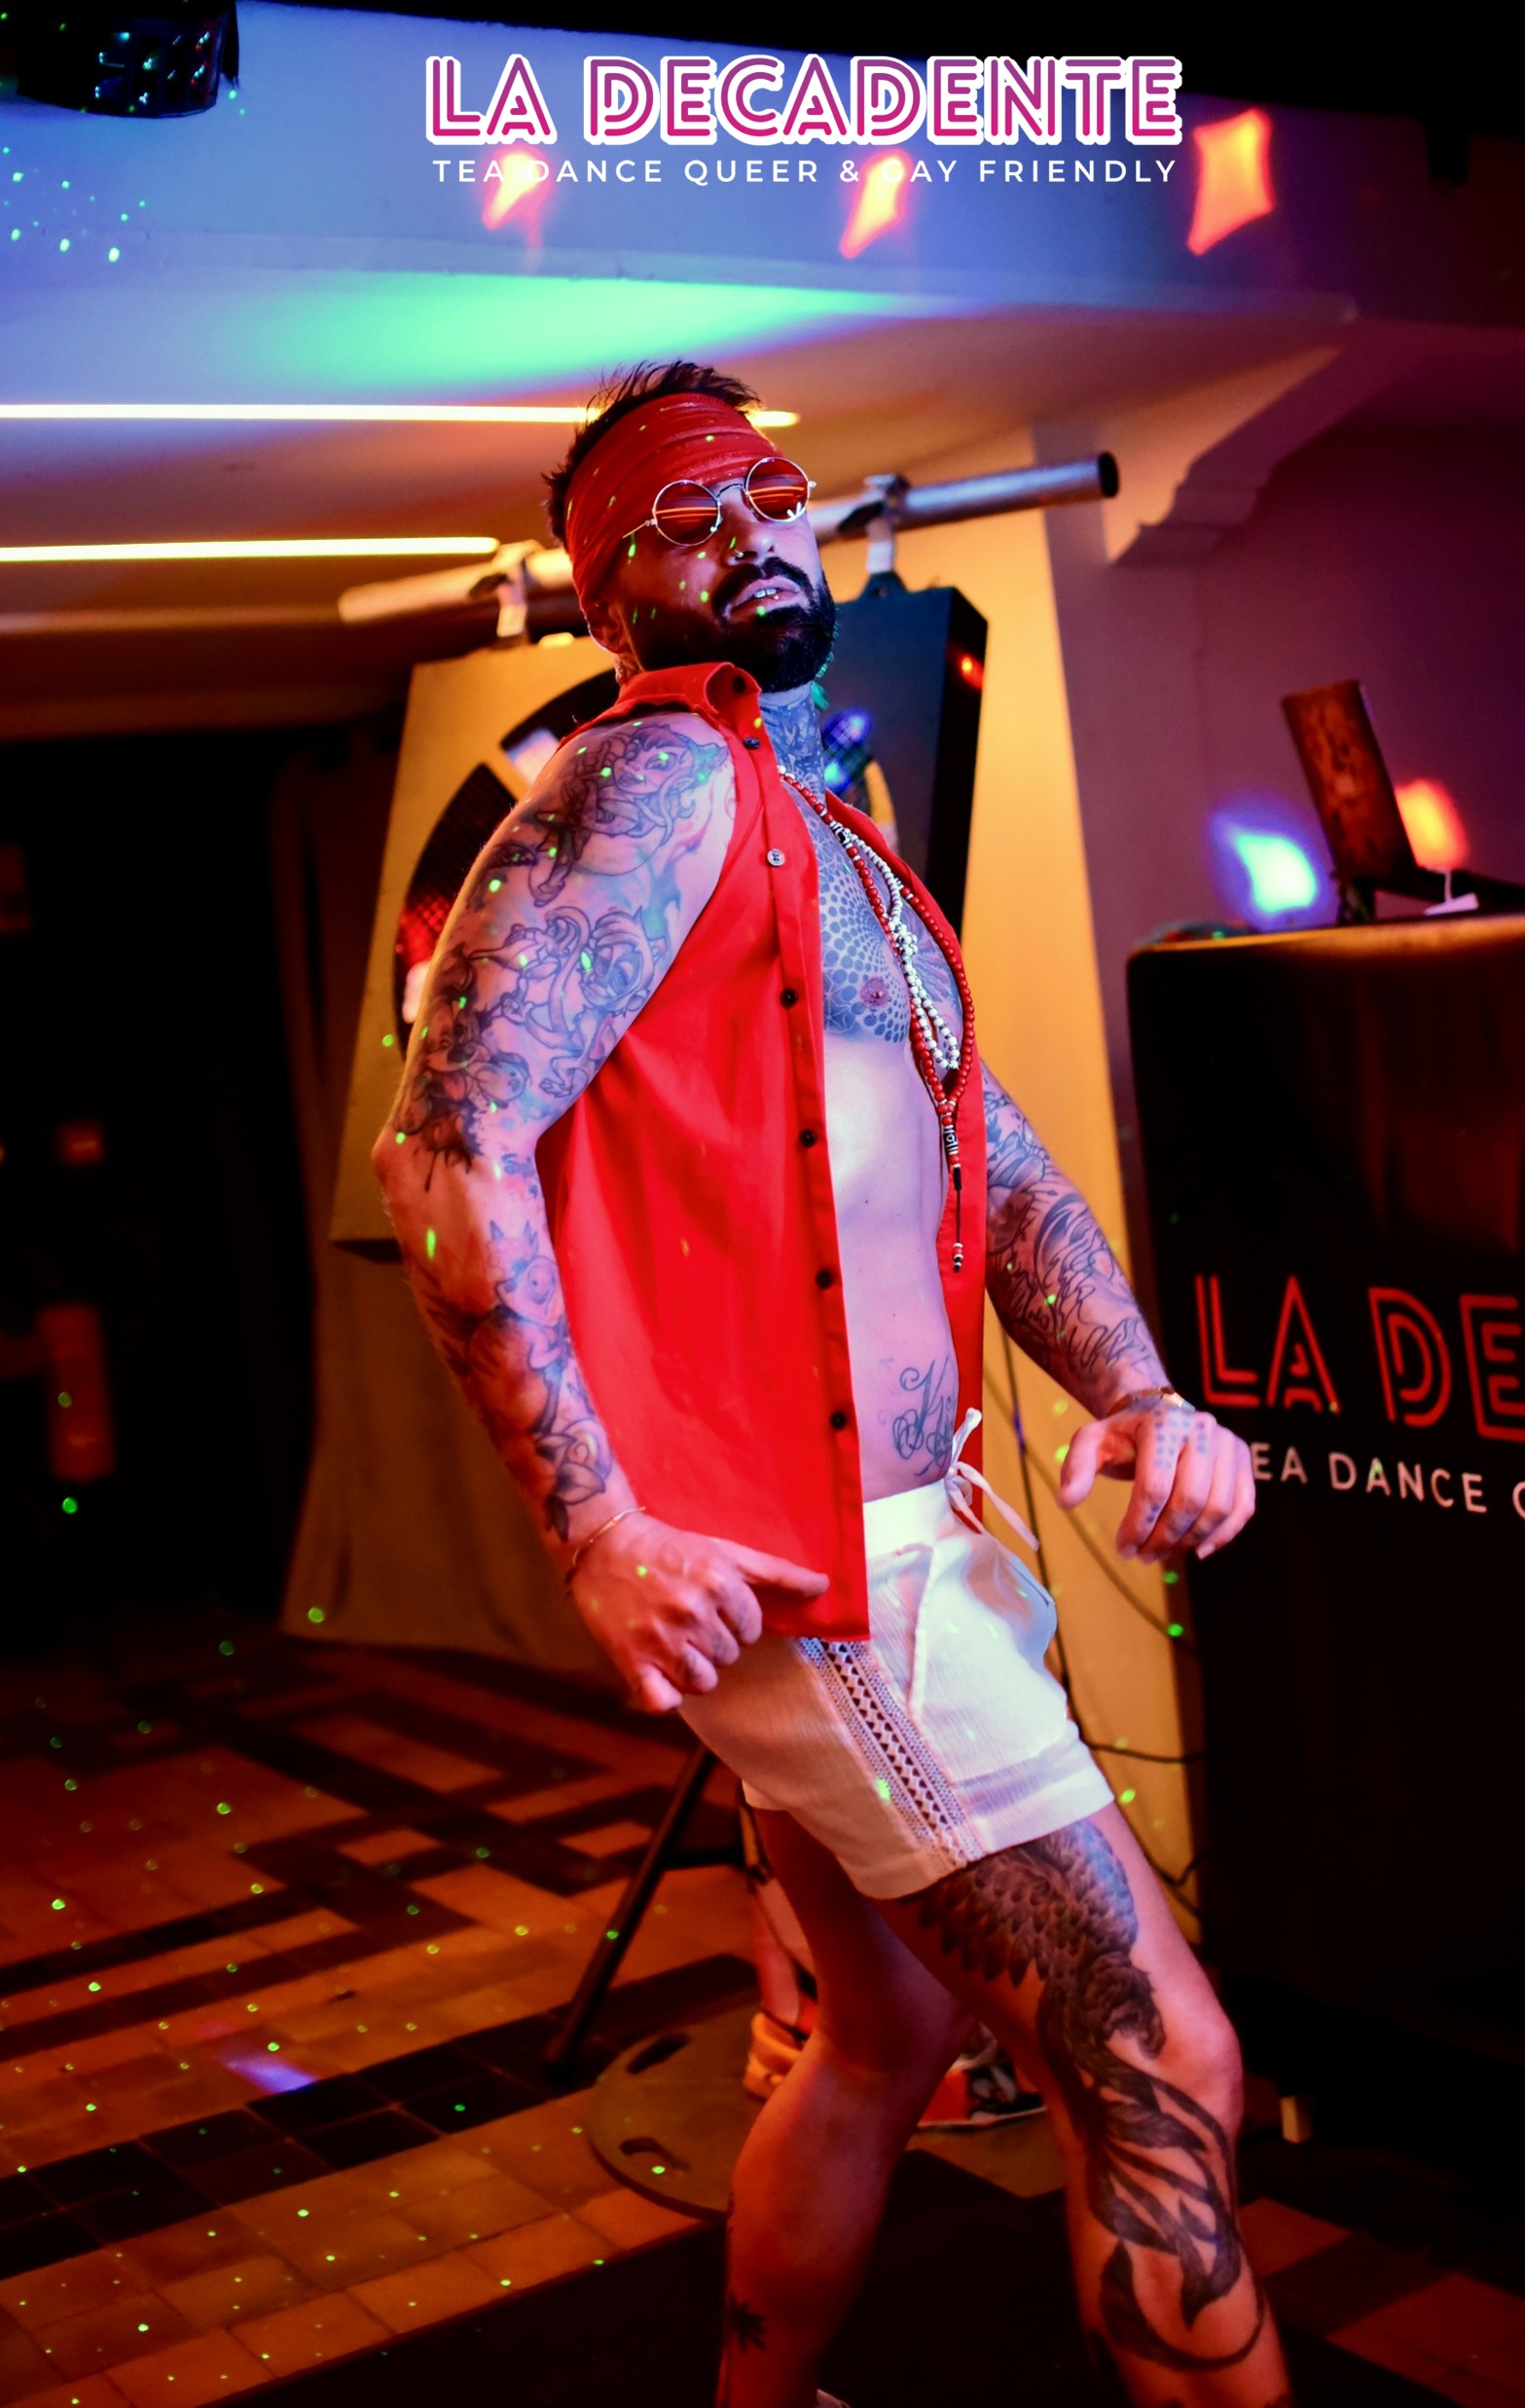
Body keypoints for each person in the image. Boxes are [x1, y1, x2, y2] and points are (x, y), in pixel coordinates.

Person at [373, 361, 1288, 2408]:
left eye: (773, 493)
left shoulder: (818, 829)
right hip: (830, 1574)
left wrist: (1140, 1389)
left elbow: (997, 1159)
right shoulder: (642, 785)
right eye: (690, 515)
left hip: (890, 1537)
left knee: (877, 2039)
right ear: (608, 590)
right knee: (1160, 2062)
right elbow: (443, 1151)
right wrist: (596, 1529)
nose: (754, 531)